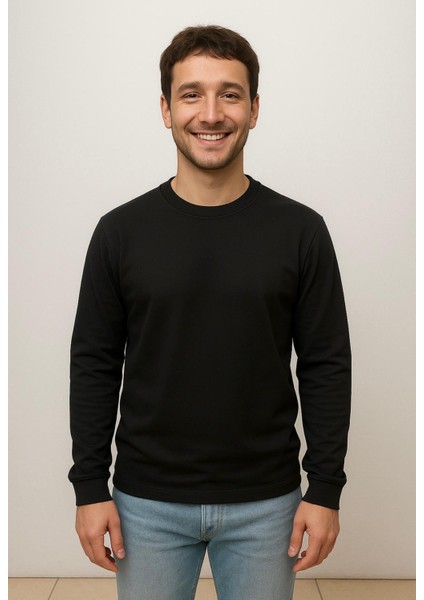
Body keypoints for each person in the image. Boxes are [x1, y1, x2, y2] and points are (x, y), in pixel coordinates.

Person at [69, 25, 351, 600]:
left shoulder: (301, 231)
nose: (211, 113)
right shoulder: (119, 232)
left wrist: (324, 488)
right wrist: (90, 486)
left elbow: (325, 363)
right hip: (145, 503)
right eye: (192, 94)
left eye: (230, 94)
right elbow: (95, 362)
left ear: (254, 109)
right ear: (166, 109)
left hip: (266, 504)